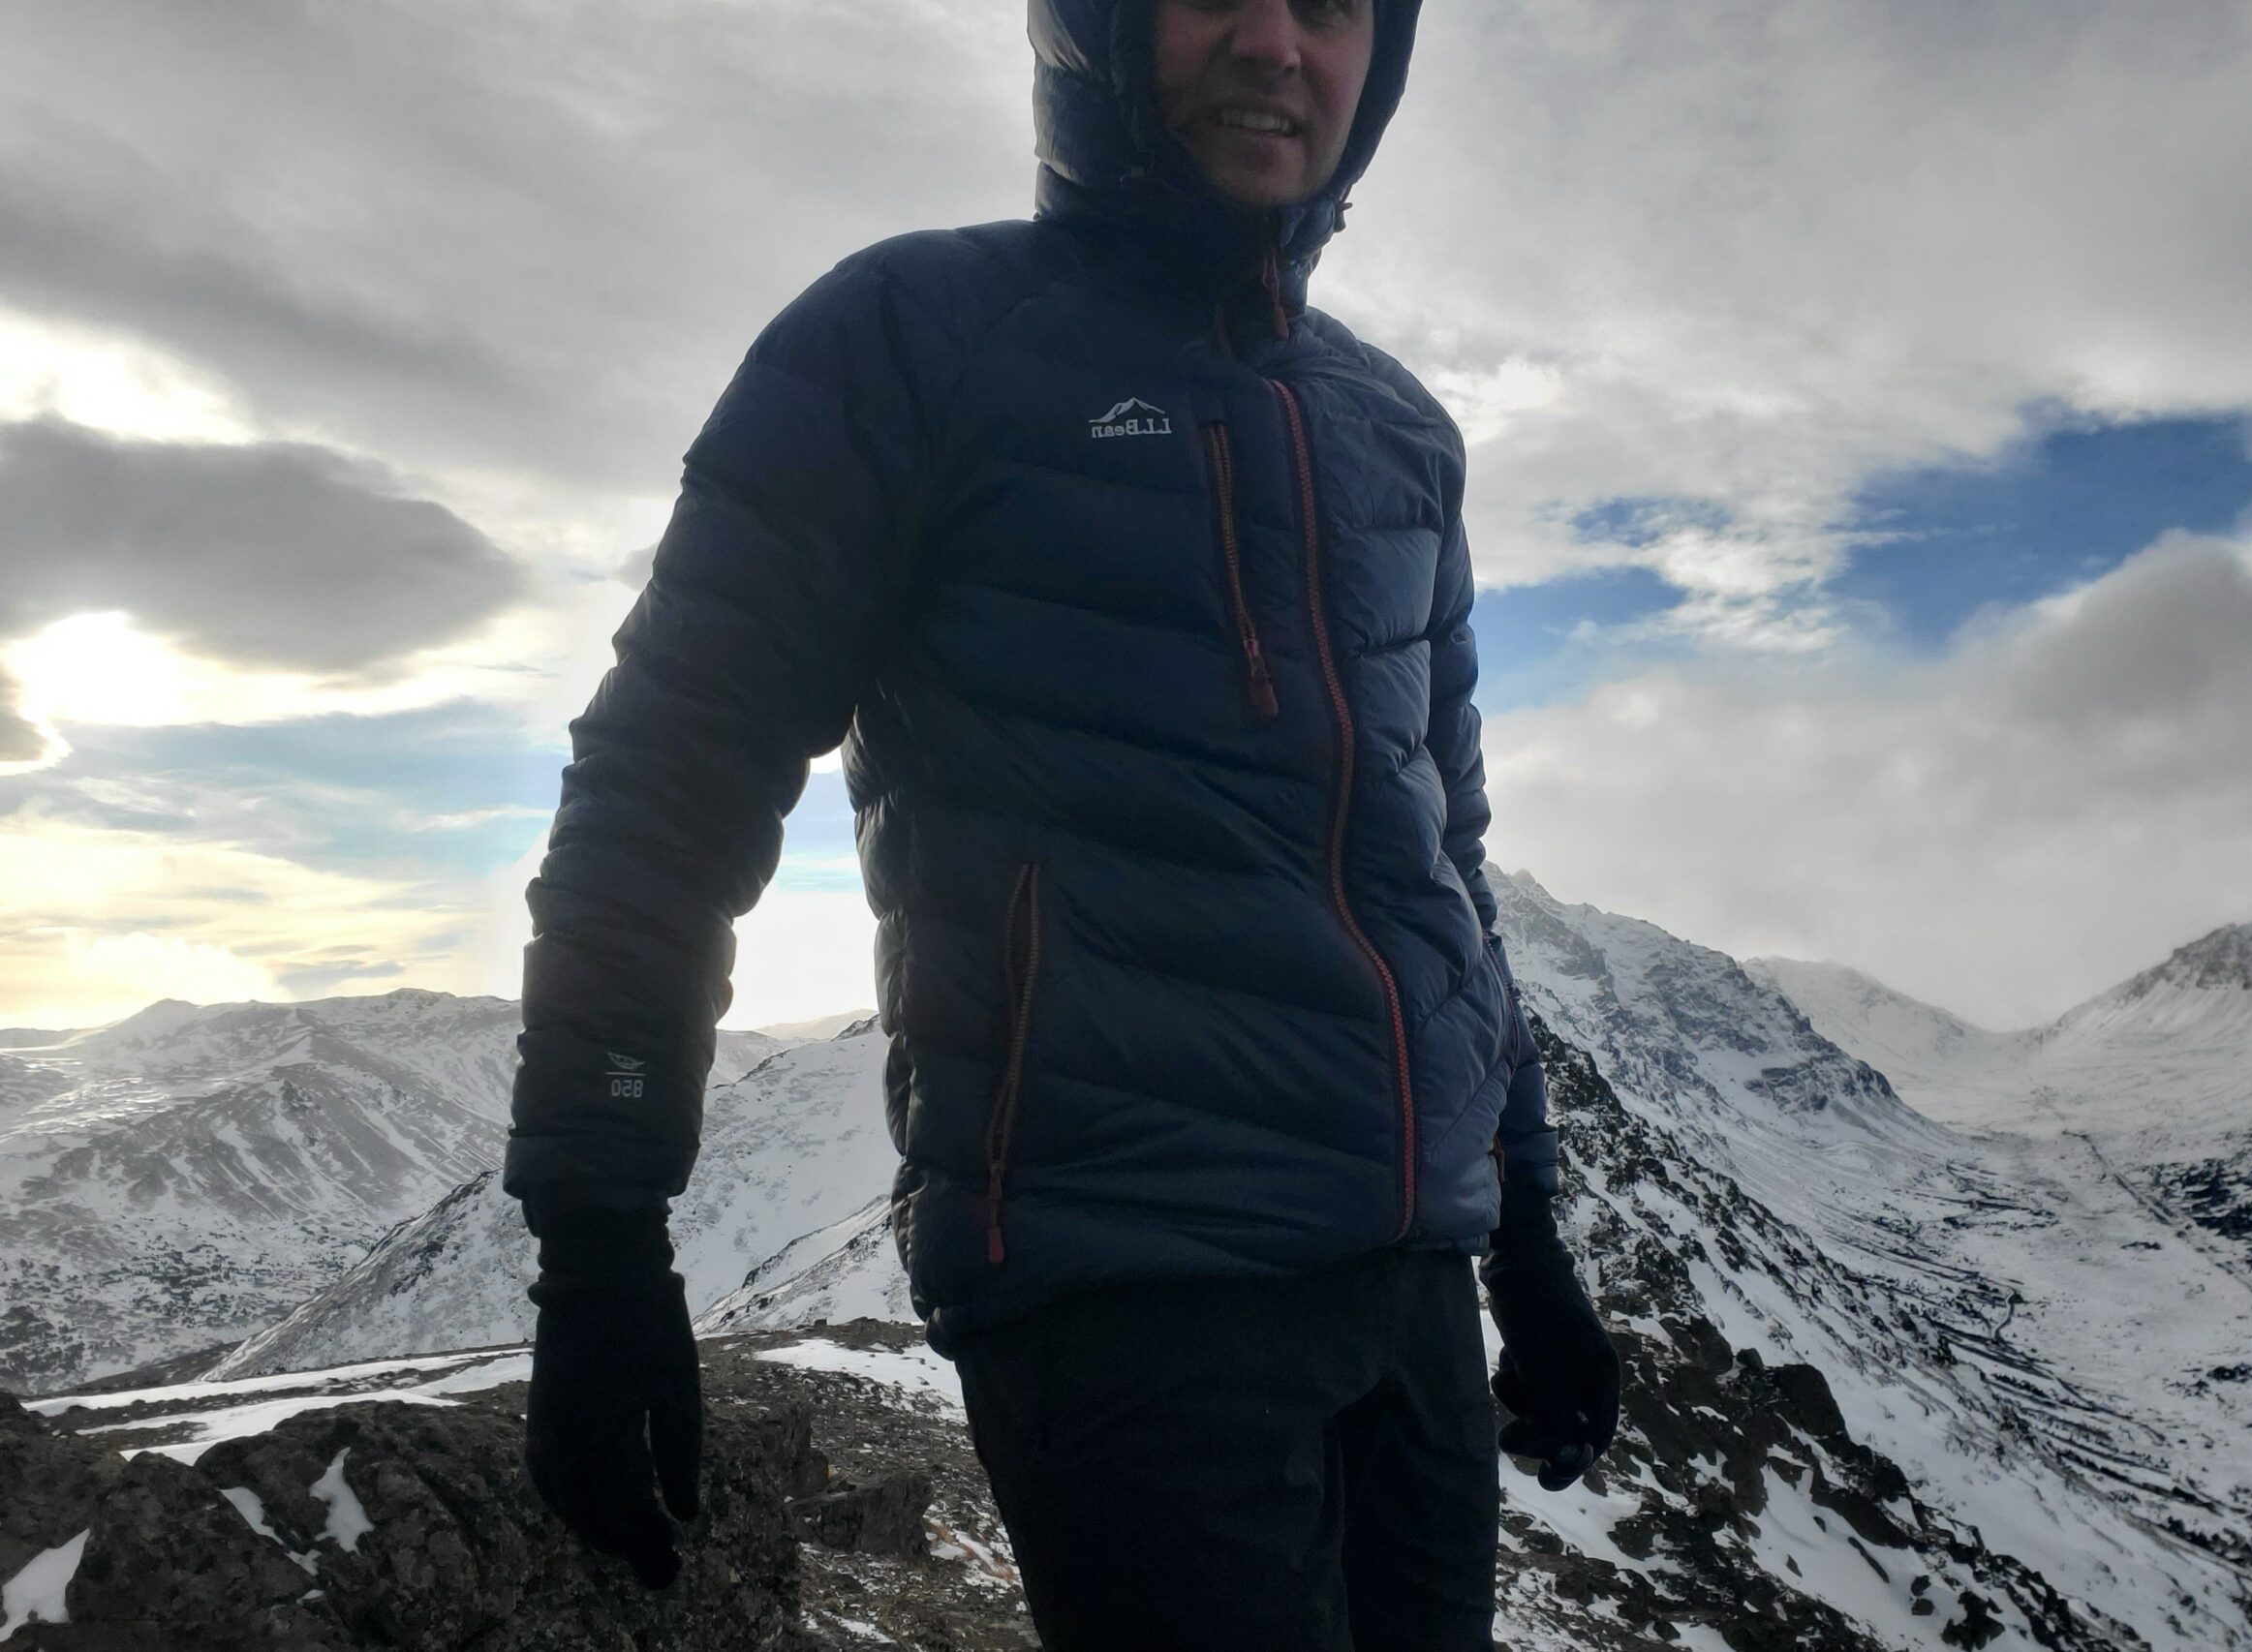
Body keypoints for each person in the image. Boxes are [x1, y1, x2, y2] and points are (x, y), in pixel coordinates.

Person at [504, 0, 1621, 1644]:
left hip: (1405, 1293)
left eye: (1330, 8)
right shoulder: (908, 339)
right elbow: (673, 774)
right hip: (1127, 1295)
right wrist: (601, 1232)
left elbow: (1438, 867)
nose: (1276, 43)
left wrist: (1525, 1233)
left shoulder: (1397, 436)